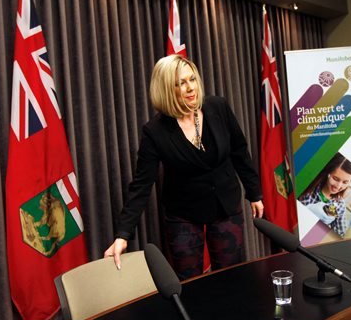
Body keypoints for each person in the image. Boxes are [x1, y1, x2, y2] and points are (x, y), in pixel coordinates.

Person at [104, 54, 264, 279]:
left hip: (225, 205)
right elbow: (141, 185)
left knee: (231, 278)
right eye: (180, 83)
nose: (190, 88)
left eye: (192, 80)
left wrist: (254, 192)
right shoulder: (155, 131)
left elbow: (239, 151)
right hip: (184, 214)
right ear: (167, 89)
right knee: (189, 283)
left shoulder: (218, 107)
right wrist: (122, 235)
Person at [299, 153, 351, 237]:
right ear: (327, 173)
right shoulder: (308, 187)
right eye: (335, 179)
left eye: (345, 182)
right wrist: (308, 210)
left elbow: (341, 236)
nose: (338, 186)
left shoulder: (339, 205)